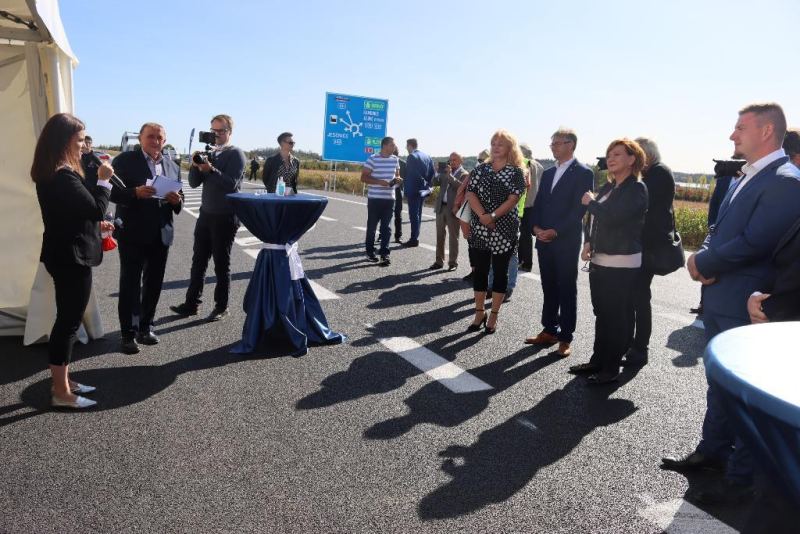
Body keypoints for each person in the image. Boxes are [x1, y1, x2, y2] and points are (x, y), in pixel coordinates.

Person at [662, 103, 800, 506]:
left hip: (749, 304)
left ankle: (740, 481)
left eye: (740, 128)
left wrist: (702, 262)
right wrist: (700, 258)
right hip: (721, 296)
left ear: (767, 130)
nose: (732, 135)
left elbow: (757, 241)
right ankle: (712, 453)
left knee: (746, 397)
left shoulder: (785, 180)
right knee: (720, 388)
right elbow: (718, 230)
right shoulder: (748, 174)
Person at [31, 113, 114, 408]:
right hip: (71, 257)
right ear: (64, 140)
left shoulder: (53, 171)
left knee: (67, 320)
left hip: (62, 252)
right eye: (79, 140)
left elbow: (72, 214)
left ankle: (65, 381)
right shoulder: (62, 174)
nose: (84, 145)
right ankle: (61, 393)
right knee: (67, 323)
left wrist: (96, 226)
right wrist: (104, 182)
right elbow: (94, 208)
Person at [569, 138, 648, 384]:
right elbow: (593, 220)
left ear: (632, 159)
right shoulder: (608, 187)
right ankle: (597, 360)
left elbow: (615, 219)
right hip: (600, 259)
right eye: (609, 154)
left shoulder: (636, 189)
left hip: (622, 261)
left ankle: (611, 367)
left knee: (615, 315)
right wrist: (588, 241)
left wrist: (589, 202)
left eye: (617, 154)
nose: (610, 158)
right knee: (601, 312)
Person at [111, 122, 183, 355]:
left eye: (160, 138)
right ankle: (128, 334)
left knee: (153, 284)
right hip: (132, 230)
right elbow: (111, 192)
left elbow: (179, 200)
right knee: (130, 284)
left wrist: (176, 201)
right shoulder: (124, 161)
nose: (155, 141)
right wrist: (134, 192)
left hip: (161, 233)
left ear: (165, 140)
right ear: (140, 139)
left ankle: (146, 326)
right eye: (150, 136)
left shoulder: (172, 165)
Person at [525, 127, 594, 357]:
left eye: (557, 143)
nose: (553, 147)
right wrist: (535, 228)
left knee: (566, 288)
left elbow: (578, 210)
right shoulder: (547, 173)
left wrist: (556, 231)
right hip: (544, 239)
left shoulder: (583, 172)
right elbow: (538, 203)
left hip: (565, 241)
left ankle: (565, 338)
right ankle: (549, 329)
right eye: (552, 143)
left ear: (571, 144)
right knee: (548, 286)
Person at [170, 114, 246, 322]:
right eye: (213, 131)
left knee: (222, 264)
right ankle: (191, 302)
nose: (216, 135)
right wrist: (196, 166)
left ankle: (222, 306)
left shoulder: (236, 154)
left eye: (220, 131)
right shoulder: (209, 154)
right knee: (198, 261)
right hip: (206, 214)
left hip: (225, 216)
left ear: (230, 132)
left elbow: (232, 184)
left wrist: (211, 170)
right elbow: (194, 183)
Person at [465, 130, 526, 334]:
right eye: (493, 143)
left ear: (510, 147)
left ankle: (494, 315)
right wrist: (483, 215)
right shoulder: (480, 169)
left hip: (505, 228)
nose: (495, 146)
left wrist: (492, 217)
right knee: (480, 272)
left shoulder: (517, 172)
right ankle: (479, 312)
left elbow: (513, 199)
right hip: (480, 227)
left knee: (500, 273)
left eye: (500, 143)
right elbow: (470, 192)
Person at [624, 137, 676, 367]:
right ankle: (630, 343)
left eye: (635, 154)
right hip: (641, 244)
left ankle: (639, 348)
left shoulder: (658, 174)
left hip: (648, 246)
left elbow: (636, 204)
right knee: (633, 296)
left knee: (639, 297)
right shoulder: (653, 172)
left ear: (649, 156)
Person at [360, 137, 402, 266]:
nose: (394, 148)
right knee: (372, 227)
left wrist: (399, 180)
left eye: (394, 146)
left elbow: (397, 176)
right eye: (392, 145)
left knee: (387, 228)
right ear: (384, 146)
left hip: (390, 199)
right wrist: (379, 182)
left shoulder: (395, 160)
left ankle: (384, 254)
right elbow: (363, 177)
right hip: (375, 198)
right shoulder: (373, 158)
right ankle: (370, 252)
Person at [454, 149, 490, 283]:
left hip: (484, 215)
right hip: (471, 212)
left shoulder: (494, 174)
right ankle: (475, 271)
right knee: (471, 243)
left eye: (482, 160)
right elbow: (462, 189)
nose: (479, 163)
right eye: (479, 160)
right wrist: (457, 205)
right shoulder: (475, 172)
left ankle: (482, 275)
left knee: (483, 246)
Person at [430, 152, 465, 271]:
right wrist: (436, 172)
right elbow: (434, 183)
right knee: (440, 235)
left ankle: (452, 263)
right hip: (441, 206)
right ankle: (439, 261)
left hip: (453, 208)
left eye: (455, 160)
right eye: (450, 160)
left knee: (453, 236)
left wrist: (450, 176)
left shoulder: (464, 174)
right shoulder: (445, 172)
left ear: (461, 160)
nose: (452, 162)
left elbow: (462, 187)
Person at [401, 138, 434, 247]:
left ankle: (414, 239)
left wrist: (423, 182)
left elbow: (413, 173)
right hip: (423, 191)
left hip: (414, 190)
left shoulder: (412, 156)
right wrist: (427, 184)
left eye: (407, 147)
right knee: (418, 214)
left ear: (410, 145)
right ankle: (415, 236)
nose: (407, 149)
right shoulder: (427, 156)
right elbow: (432, 173)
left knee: (414, 215)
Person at [517, 143, 544, 272]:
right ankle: (523, 261)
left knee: (525, 234)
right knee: (525, 234)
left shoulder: (525, 163)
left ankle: (526, 262)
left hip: (525, 203)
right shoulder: (540, 166)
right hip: (536, 204)